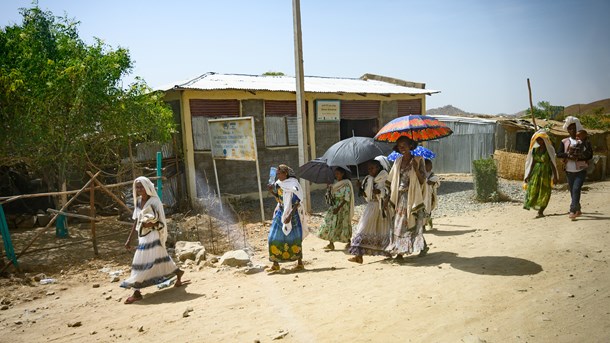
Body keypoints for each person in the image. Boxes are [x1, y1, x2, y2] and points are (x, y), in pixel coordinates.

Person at [121, 176, 186, 304]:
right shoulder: (139, 202)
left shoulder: (155, 201)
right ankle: (178, 273)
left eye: (141, 186)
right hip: (143, 237)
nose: (139, 189)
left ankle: (136, 292)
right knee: (162, 258)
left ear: (147, 187)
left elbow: (161, 220)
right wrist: (129, 239)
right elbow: (136, 221)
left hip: (153, 236)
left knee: (139, 261)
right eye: (137, 187)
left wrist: (149, 224)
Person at [385, 136, 428, 258]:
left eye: (404, 144)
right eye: (399, 145)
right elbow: (391, 180)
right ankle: (403, 250)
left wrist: (416, 168)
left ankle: (404, 251)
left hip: (413, 197)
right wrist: (387, 197)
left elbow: (422, 181)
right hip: (399, 197)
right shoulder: (397, 161)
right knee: (400, 224)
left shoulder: (419, 160)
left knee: (410, 223)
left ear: (410, 145)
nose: (402, 147)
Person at [348, 158, 392, 264]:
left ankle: (388, 251)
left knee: (382, 230)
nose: (370, 170)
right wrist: (360, 188)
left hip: (381, 208)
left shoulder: (384, 176)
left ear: (378, 167)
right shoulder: (368, 179)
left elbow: (389, 190)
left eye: (372, 168)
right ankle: (359, 255)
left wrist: (380, 191)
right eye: (368, 169)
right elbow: (366, 195)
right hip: (371, 207)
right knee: (363, 229)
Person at [267, 164, 307, 272]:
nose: (278, 176)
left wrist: (289, 215)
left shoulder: (294, 185)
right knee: (273, 237)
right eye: (277, 174)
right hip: (281, 212)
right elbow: (279, 199)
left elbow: (298, 201)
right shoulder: (279, 184)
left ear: (286, 173)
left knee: (295, 238)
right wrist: (271, 191)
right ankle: (275, 264)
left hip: (292, 214)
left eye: (280, 173)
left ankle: (299, 263)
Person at [556, 117, 593, 220]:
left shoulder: (584, 141)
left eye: (574, 128)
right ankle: (578, 209)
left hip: (581, 170)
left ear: (578, 128)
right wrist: (568, 156)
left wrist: (578, 157)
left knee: (576, 189)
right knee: (573, 191)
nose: (572, 130)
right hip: (568, 171)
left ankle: (572, 210)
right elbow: (558, 154)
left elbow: (590, 155)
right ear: (568, 130)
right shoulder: (564, 141)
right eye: (570, 128)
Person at [523, 129, 559, 218]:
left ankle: (541, 211)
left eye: (541, 140)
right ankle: (535, 206)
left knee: (545, 191)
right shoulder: (535, 150)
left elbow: (553, 164)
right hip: (536, 173)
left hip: (546, 173)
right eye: (538, 140)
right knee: (534, 190)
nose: (539, 141)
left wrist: (555, 177)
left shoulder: (549, 151)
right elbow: (533, 163)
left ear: (545, 140)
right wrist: (528, 175)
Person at [317, 166, 354, 251]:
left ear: (342, 174)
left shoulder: (346, 184)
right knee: (331, 223)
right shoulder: (335, 184)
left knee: (343, 224)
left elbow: (346, 198)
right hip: (334, 206)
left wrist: (338, 208)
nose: (336, 175)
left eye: (338, 173)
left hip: (343, 207)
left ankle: (349, 242)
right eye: (335, 174)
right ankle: (331, 243)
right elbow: (331, 197)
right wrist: (329, 189)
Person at [422, 159, 440, 230]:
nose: (430, 167)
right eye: (428, 165)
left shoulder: (432, 174)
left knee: (428, 209)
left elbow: (434, 181)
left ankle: (428, 221)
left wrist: (429, 181)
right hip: (422, 195)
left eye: (431, 165)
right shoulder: (422, 173)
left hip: (429, 196)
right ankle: (422, 226)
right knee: (422, 209)